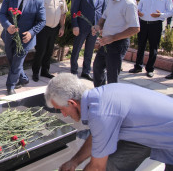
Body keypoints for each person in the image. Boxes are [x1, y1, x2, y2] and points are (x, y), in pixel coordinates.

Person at [45, 73, 173, 171]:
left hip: (167, 135)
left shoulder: (101, 112)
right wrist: (74, 161)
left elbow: (96, 168)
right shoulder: (99, 98)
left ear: (72, 103)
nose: (64, 115)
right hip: (147, 133)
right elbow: (98, 136)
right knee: (112, 164)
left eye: (62, 109)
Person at [0, 0, 46, 95]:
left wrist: (31, 32)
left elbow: (42, 21)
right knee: (11, 59)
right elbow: (2, 14)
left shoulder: (38, 2)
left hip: (26, 39)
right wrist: (8, 26)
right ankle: (23, 78)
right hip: (9, 35)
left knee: (17, 60)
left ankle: (11, 86)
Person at [92, 0, 139, 87]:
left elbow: (135, 28)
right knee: (97, 68)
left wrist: (113, 38)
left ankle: (112, 100)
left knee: (112, 76)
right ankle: (100, 94)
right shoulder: (111, 1)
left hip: (117, 44)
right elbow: (103, 18)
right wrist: (98, 26)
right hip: (106, 42)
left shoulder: (128, 4)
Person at [129, 0, 173, 77]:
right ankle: (138, 66)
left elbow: (170, 12)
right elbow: (139, 8)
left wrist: (160, 15)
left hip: (156, 25)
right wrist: (138, 13)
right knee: (141, 46)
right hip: (143, 24)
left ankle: (150, 69)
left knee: (153, 48)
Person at [70, 0, 106, 81]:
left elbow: (103, 10)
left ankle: (86, 71)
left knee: (90, 50)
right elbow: (74, 9)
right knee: (76, 49)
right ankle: (74, 71)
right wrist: (75, 25)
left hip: (95, 27)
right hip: (81, 26)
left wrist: (101, 26)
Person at [31, 0, 69, 81]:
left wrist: (62, 27)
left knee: (49, 50)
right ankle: (35, 72)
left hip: (54, 28)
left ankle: (45, 71)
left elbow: (63, 13)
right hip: (42, 28)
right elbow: (32, 9)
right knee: (41, 50)